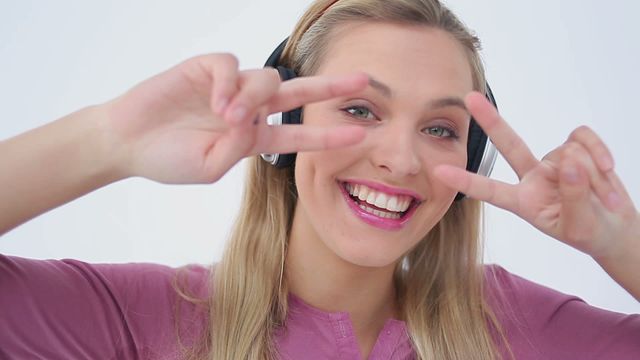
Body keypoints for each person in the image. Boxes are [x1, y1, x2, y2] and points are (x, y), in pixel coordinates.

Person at [1, 0, 639, 359]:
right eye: (361, 110)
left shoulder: (507, 325)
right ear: (284, 122)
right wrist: (108, 140)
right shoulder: (151, 321)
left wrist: (620, 246)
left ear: (471, 165)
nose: (401, 160)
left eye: (440, 128)